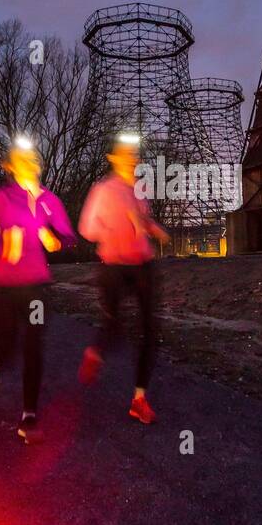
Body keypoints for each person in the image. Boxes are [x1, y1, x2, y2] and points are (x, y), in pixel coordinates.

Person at [0, 136, 76, 443]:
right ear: (11, 167)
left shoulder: (48, 200)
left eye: (34, 158)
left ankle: (29, 414)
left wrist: (54, 239)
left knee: (33, 345)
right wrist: (1, 246)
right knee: (8, 341)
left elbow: (68, 236)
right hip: (4, 285)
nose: (31, 163)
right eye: (23, 159)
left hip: (37, 286)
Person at [77, 131, 169, 423]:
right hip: (114, 266)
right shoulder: (103, 190)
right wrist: (114, 232)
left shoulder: (140, 189)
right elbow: (87, 228)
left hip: (143, 265)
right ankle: (96, 352)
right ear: (113, 158)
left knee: (149, 330)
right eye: (126, 154)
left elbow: (142, 221)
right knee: (114, 325)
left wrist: (153, 229)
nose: (132, 159)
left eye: (135, 155)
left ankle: (139, 399)